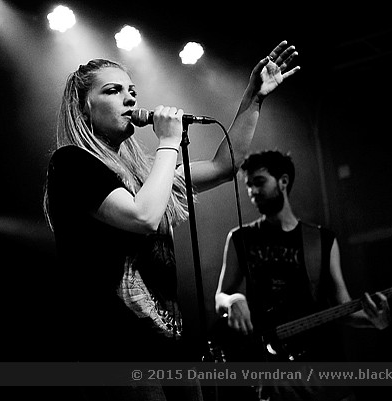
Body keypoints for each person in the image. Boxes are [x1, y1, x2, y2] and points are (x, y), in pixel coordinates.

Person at [43, 41, 299, 400]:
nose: (130, 99)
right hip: (115, 349)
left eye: (132, 91)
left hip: (171, 346)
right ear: (83, 106)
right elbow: (143, 216)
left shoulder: (149, 176)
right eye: (113, 91)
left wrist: (253, 97)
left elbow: (225, 165)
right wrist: (168, 142)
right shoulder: (71, 163)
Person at [215, 150, 391, 401]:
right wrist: (232, 300)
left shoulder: (321, 239)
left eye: (259, 182)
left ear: (283, 181)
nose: (252, 191)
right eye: (249, 185)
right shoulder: (240, 238)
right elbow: (220, 296)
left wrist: (376, 321)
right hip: (276, 379)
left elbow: (343, 306)